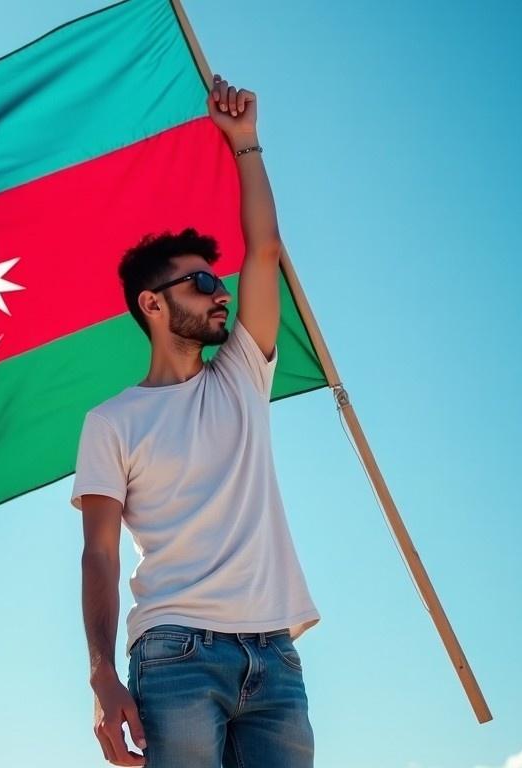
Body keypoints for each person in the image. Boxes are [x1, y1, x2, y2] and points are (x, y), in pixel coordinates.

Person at [71, 73, 320, 768]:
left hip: (275, 655)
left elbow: (264, 250)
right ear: (152, 304)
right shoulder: (111, 421)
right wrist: (100, 676)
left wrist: (246, 143)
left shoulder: (242, 373)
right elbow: (99, 553)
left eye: (220, 281)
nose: (221, 293)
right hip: (175, 653)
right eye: (202, 282)